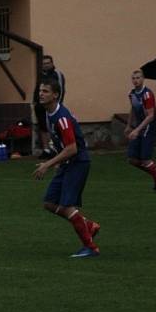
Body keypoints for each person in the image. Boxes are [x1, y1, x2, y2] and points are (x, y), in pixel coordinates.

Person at [33, 80, 100, 258]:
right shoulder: (49, 113)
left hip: (78, 162)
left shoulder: (61, 117)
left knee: (66, 206)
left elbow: (72, 148)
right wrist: (57, 161)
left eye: (45, 91)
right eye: (40, 90)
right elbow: (62, 144)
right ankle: (89, 226)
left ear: (55, 95)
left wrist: (47, 164)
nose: (41, 94)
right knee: (49, 202)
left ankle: (91, 248)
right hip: (67, 162)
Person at [125, 70, 156, 193]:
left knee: (145, 159)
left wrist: (137, 130)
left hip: (148, 127)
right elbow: (133, 109)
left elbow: (150, 116)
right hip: (138, 126)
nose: (135, 80)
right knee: (132, 159)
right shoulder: (132, 94)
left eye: (138, 78)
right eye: (133, 78)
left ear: (143, 79)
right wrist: (129, 125)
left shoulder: (147, 94)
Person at [33, 55, 66, 158]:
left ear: (52, 63)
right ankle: (46, 149)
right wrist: (35, 102)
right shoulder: (41, 75)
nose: (46, 65)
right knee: (43, 127)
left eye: (47, 63)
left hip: (52, 106)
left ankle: (56, 148)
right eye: (44, 64)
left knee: (54, 127)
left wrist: (57, 104)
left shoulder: (57, 74)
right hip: (40, 106)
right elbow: (37, 89)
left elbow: (61, 90)